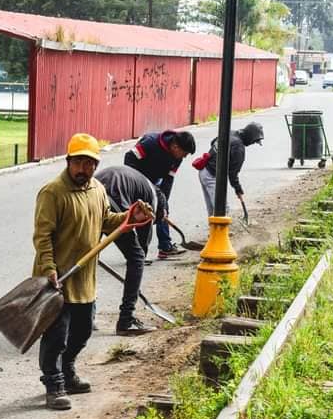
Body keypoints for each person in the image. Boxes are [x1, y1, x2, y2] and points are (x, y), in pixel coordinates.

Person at [33, 133, 152, 410]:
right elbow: (42, 236)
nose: (84, 169)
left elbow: (107, 221)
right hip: (58, 278)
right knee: (55, 336)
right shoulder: (52, 192)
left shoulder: (97, 189)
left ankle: (68, 370)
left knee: (83, 331)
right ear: (68, 161)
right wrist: (49, 268)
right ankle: (54, 383)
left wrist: (128, 217)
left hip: (85, 277)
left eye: (90, 164)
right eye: (79, 163)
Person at [95, 166, 167, 335]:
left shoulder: (141, 181)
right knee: (136, 257)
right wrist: (135, 277)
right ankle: (126, 319)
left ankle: (84, 315)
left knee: (88, 257)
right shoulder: (153, 201)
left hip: (92, 197)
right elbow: (142, 243)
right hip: (113, 205)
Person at [124, 130, 195, 259]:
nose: (183, 157)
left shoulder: (177, 157)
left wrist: (163, 203)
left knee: (163, 209)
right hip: (135, 179)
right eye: (184, 154)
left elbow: (169, 179)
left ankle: (165, 246)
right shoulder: (150, 143)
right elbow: (129, 158)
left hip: (155, 180)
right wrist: (138, 181)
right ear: (175, 146)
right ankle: (137, 254)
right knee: (143, 214)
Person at [194, 122, 264, 216]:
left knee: (212, 209)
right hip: (211, 175)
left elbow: (212, 142)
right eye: (254, 141)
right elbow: (233, 173)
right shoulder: (238, 147)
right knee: (222, 209)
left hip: (203, 171)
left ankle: (213, 230)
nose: (252, 143)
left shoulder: (230, 132)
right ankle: (219, 230)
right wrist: (238, 189)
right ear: (250, 136)